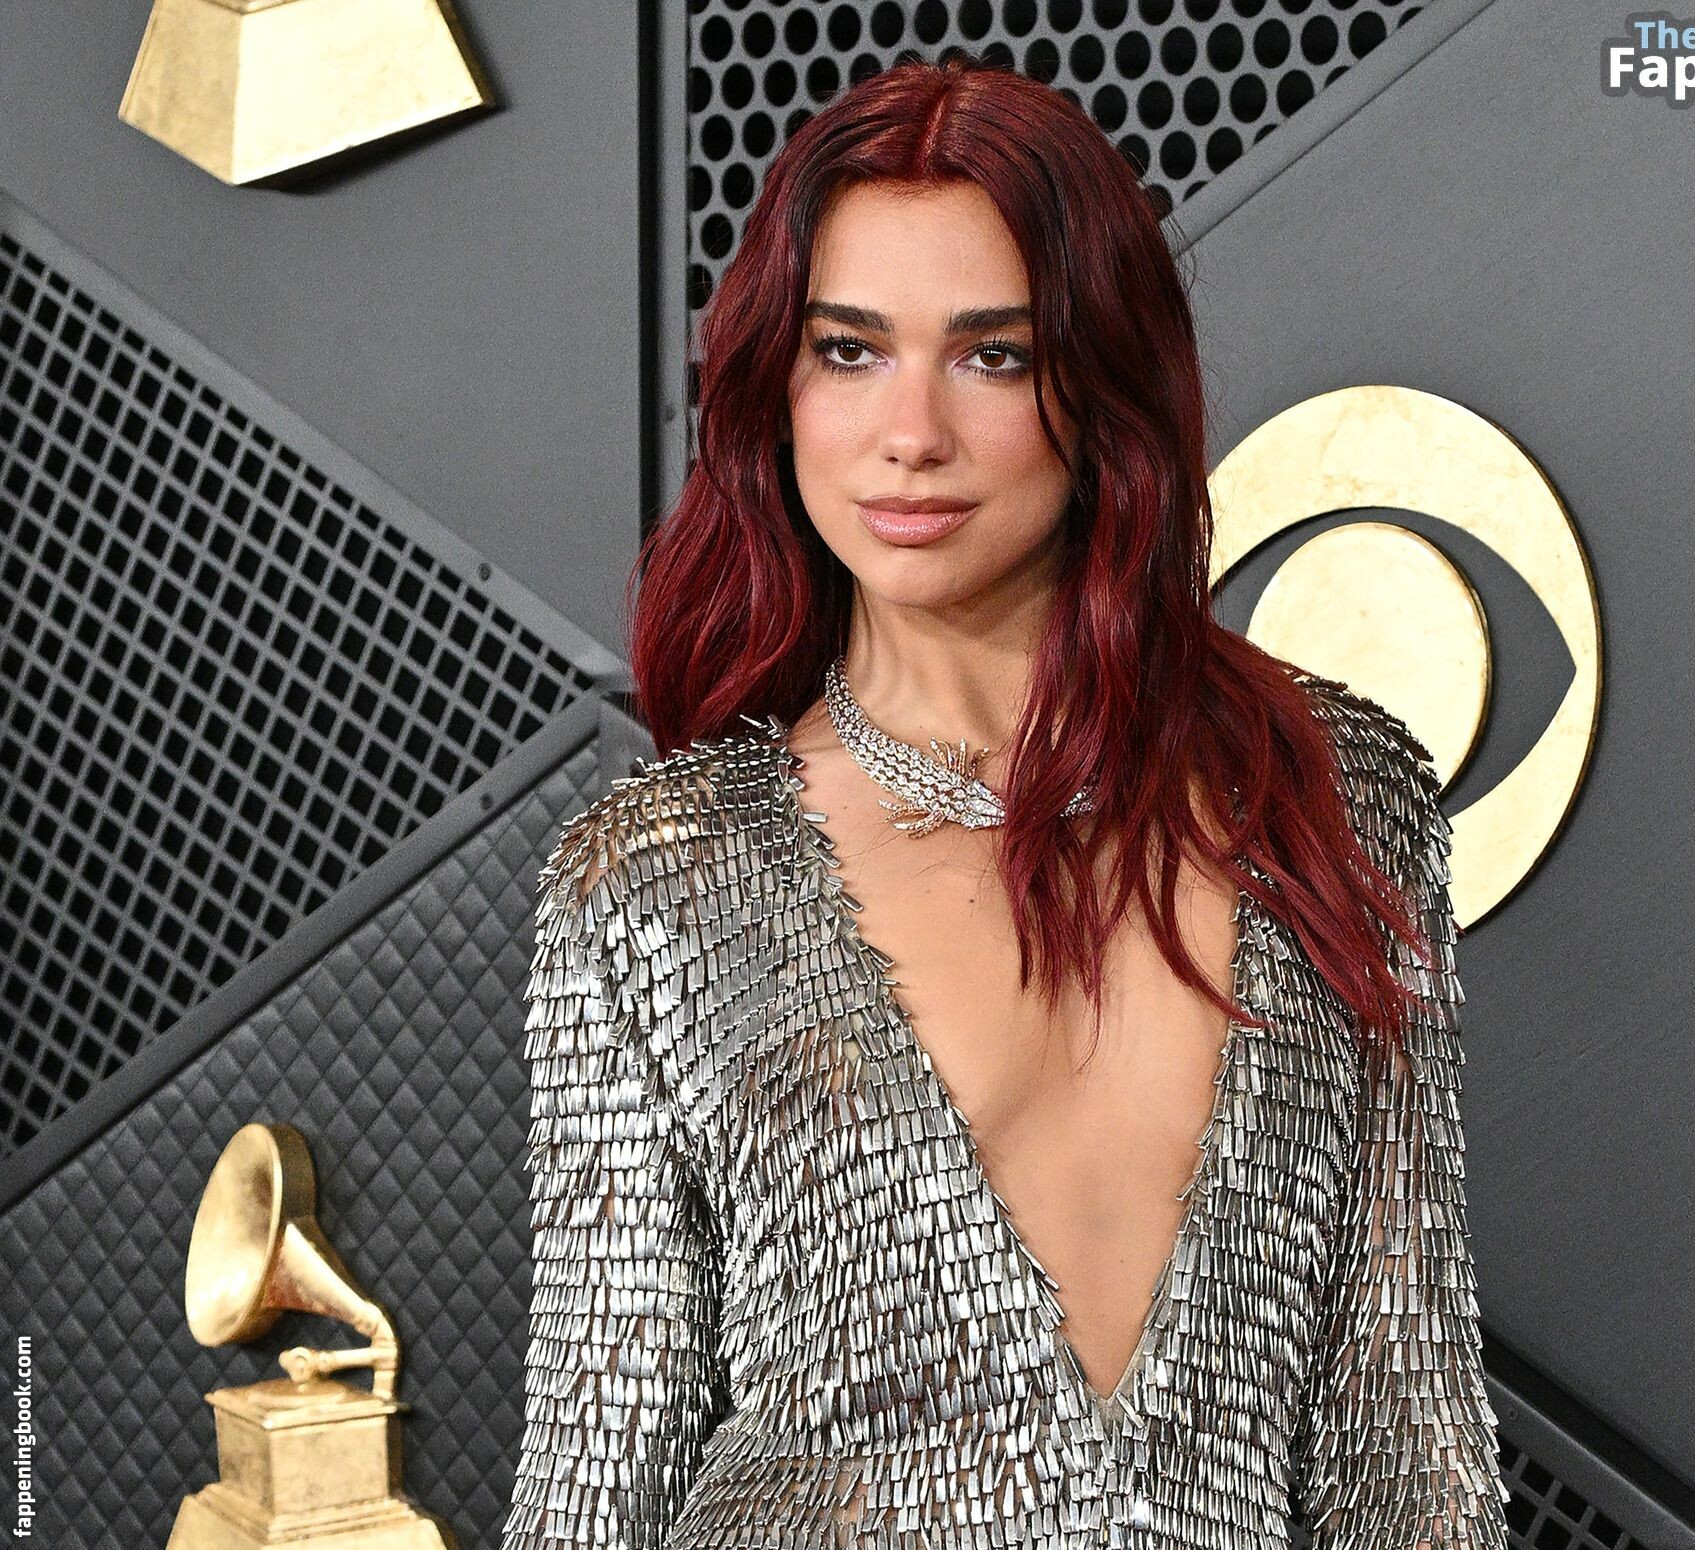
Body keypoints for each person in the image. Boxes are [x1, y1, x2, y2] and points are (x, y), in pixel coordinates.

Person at [501, 52, 1508, 1550]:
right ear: (777, 389)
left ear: (1102, 389)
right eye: (849, 351)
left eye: (992, 356)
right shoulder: (659, 876)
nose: (910, 432)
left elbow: (1412, 1441)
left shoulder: (1333, 795)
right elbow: (598, 1479)